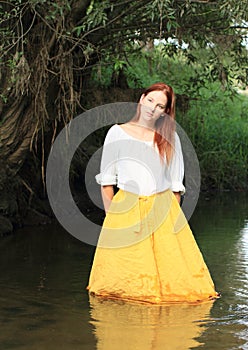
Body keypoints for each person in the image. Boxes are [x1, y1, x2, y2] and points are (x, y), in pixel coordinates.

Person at [87, 82, 219, 304]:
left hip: (163, 209)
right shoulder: (116, 132)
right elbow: (107, 181)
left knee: (181, 288)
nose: (152, 108)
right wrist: (112, 219)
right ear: (141, 99)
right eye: (150, 101)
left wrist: (173, 223)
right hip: (126, 209)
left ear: (165, 112)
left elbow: (176, 185)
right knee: (119, 288)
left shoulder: (170, 138)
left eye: (160, 106)